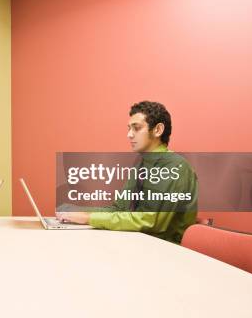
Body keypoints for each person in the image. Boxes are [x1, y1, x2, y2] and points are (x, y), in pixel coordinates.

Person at [56, 101, 198, 243]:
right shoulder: (141, 164)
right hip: (137, 243)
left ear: (158, 130)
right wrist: (77, 211)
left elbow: (150, 222)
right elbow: (119, 208)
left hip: (166, 252)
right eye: (129, 129)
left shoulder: (174, 166)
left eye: (136, 128)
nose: (129, 135)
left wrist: (88, 218)